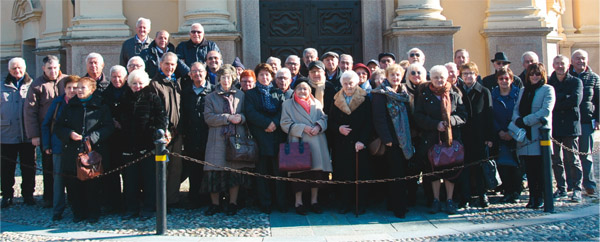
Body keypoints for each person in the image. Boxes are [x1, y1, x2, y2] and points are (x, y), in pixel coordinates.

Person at [54, 77, 115, 223]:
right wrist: (69, 134)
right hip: (73, 152)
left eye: (83, 88)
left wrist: (93, 137)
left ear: (92, 90)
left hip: (93, 152)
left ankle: (93, 213)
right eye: (78, 87)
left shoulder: (101, 106)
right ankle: (78, 213)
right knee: (74, 185)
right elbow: (58, 127)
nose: (79, 91)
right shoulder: (69, 106)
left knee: (93, 185)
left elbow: (108, 127)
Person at [414, 65, 467, 215]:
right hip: (431, 138)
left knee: (451, 170)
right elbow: (418, 116)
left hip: (451, 138)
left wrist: (451, 121)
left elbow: (463, 115)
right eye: (436, 77)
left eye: (441, 77)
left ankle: (449, 200)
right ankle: (435, 200)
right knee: (433, 171)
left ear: (446, 78)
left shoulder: (455, 93)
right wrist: (435, 124)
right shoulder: (424, 95)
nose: (439, 80)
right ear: (431, 78)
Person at [202, 67, 252, 216]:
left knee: (234, 173)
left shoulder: (240, 95)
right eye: (223, 78)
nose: (226, 81)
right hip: (217, 138)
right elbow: (208, 118)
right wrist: (227, 118)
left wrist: (241, 118)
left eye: (228, 78)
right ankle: (215, 204)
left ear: (232, 79)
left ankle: (233, 202)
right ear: (219, 79)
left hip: (236, 137)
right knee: (214, 173)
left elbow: (246, 114)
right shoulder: (210, 97)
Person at [119, 70, 167, 220]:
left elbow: (161, 118)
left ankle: (148, 207)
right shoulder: (124, 98)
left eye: (140, 83)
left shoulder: (153, 98)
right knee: (130, 180)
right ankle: (131, 208)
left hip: (148, 145)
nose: (137, 86)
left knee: (148, 179)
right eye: (134, 83)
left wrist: (154, 133)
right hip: (129, 145)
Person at [280, 81, 332, 215]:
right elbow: (284, 123)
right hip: (299, 141)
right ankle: (299, 202)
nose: (302, 91)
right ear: (295, 91)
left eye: (305, 89)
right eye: (299, 89)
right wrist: (303, 128)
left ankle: (314, 202)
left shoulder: (317, 103)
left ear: (310, 91)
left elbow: (324, 118)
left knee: (316, 174)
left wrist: (318, 126)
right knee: (299, 174)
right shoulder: (287, 104)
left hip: (317, 141)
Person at [371, 64, 413, 218]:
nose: (395, 78)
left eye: (398, 75)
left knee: (402, 173)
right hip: (391, 140)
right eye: (392, 75)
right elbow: (379, 118)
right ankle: (398, 207)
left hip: (405, 139)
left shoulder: (403, 92)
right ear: (387, 76)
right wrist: (387, 138)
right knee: (395, 173)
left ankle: (398, 203)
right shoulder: (379, 93)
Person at [24, 55, 66, 208]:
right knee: (48, 166)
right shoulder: (36, 85)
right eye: (49, 68)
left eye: (55, 67)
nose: (53, 71)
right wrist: (34, 135)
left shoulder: (66, 80)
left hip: (65, 130)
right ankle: (49, 197)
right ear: (43, 68)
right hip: (46, 131)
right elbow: (30, 111)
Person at [245, 63, 288, 213]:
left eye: (267, 74)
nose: (265, 77)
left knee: (279, 172)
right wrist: (266, 124)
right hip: (260, 136)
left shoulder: (278, 93)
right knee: (262, 173)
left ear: (272, 77)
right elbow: (250, 113)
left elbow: (283, 110)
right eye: (262, 74)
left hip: (277, 136)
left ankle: (281, 202)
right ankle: (265, 203)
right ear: (257, 76)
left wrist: (274, 123)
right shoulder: (250, 94)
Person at [512, 63, 555, 209]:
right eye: (532, 74)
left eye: (537, 74)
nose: (534, 76)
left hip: (538, 135)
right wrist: (516, 120)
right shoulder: (524, 90)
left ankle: (542, 196)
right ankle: (532, 197)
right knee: (529, 169)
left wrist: (525, 121)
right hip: (525, 137)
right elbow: (516, 109)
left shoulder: (548, 89)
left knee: (540, 169)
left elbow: (545, 111)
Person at [329, 70, 372, 214]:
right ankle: (344, 203)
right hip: (341, 144)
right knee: (343, 175)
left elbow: (369, 123)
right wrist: (338, 128)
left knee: (360, 175)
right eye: (345, 83)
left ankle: (361, 204)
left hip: (359, 144)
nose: (348, 86)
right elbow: (330, 121)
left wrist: (362, 141)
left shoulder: (365, 99)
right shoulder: (336, 100)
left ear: (357, 82)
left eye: (351, 83)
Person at [149, 52, 184, 207]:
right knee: (162, 169)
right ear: (160, 64)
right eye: (167, 64)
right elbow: (155, 111)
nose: (170, 67)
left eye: (173, 64)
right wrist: (163, 129)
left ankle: (172, 199)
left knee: (176, 168)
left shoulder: (178, 83)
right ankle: (161, 202)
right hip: (163, 134)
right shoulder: (155, 84)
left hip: (177, 133)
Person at [42, 75, 79, 220]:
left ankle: (76, 207)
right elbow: (46, 124)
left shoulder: (80, 103)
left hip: (75, 147)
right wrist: (46, 145)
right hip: (58, 147)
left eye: (74, 88)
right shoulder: (57, 103)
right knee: (58, 181)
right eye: (69, 88)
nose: (71, 90)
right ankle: (58, 211)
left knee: (76, 179)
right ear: (64, 89)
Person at [457, 62, 494, 208]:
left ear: (476, 75)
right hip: (463, 135)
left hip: (479, 135)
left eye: (470, 73)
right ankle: (465, 197)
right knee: (464, 168)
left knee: (479, 168)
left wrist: (489, 137)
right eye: (465, 74)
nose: (468, 76)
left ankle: (482, 194)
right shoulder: (458, 91)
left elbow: (489, 115)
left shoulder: (484, 91)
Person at [549, 55, 584, 202]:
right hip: (555, 126)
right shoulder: (550, 83)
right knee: (556, 159)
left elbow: (575, 101)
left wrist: (559, 99)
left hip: (570, 125)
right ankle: (561, 188)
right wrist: (563, 98)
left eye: (562, 63)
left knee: (572, 159)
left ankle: (577, 188)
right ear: (553, 65)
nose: (560, 66)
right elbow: (550, 102)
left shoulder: (576, 81)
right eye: (557, 63)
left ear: (567, 65)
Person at [1, 57, 35, 208]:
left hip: (27, 134)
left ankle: (28, 194)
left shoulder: (32, 84)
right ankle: (7, 195)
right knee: (7, 168)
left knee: (28, 167)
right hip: (7, 133)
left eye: (20, 68)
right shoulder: (2, 85)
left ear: (25, 68)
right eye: (14, 68)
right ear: (9, 70)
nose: (17, 71)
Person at [179, 62, 214, 208]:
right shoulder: (185, 92)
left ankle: (209, 198)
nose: (197, 74)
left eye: (200, 71)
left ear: (206, 73)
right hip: (191, 136)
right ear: (190, 74)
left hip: (209, 136)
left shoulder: (213, 91)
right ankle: (194, 198)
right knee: (193, 169)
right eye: (194, 72)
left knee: (209, 169)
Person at [100, 65, 131, 213]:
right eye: (114, 77)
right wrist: (111, 121)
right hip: (110, 138)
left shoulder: (130, 92)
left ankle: (128, 202)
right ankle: (113, 202)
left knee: (128, 173)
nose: (117, 79)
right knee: (111, 172)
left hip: (126, 137)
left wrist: (123, 123)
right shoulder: (105, 94)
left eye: (120, 77)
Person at [569, 49, 599, 196]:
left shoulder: (594, 78)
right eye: (577, 59)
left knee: (585, 154)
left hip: (587, 120)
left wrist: (598, 119)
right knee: (570, 155)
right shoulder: (567, 77)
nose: (581, 61)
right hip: (570, 121)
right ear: (572, 61)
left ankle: (589, 184)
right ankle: (573, 184)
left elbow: (598, 100)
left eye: (583, 58)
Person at [491, 67, 522, 204]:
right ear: (497, 80)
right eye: (501, 78)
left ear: (511, 79)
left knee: (517, 165)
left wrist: (512, 131)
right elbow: (490, 115)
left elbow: (521, 112)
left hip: (515, 134)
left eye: (506, 78)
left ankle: (516, 190)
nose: (504, 81)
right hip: (500, 134)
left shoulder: (518, 94)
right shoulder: (493, 94)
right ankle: (507, 190)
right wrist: (499, 131)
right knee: (503, 164)